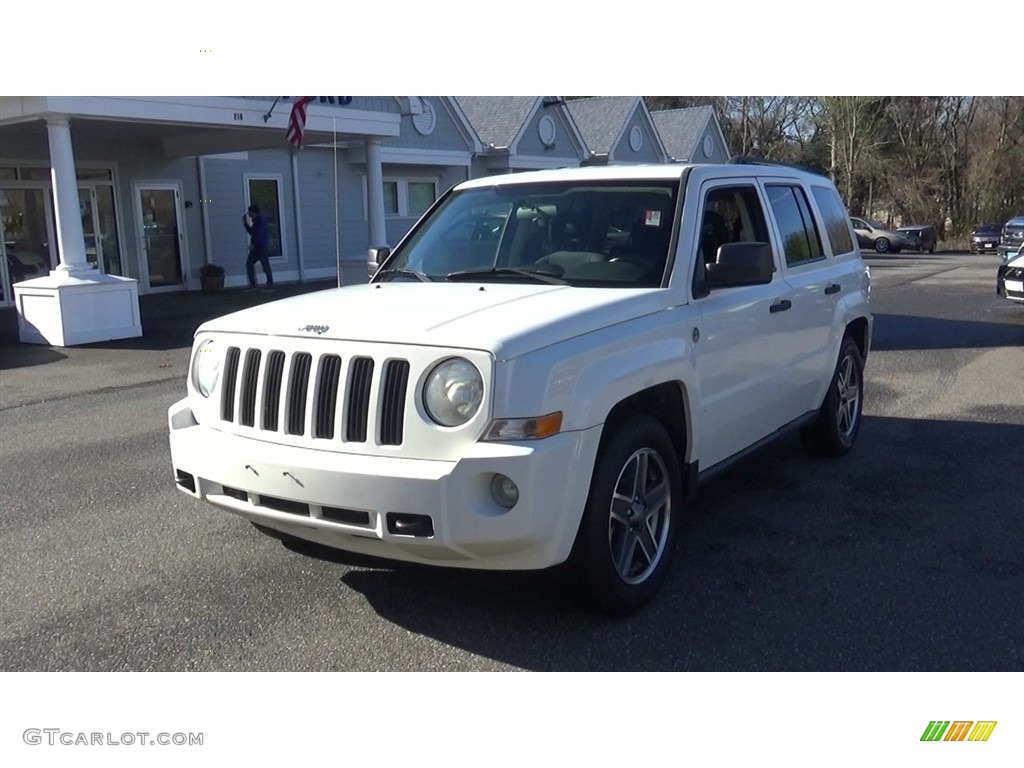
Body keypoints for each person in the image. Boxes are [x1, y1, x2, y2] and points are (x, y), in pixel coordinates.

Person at [243, 204, 274, 290]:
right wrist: (245, 224)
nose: (249, 215)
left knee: (264, 265)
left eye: (250, 213)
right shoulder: (256, 221)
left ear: (254, 212)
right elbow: (253, 233)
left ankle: (269, 285)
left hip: (261, 247)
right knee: (250, 264)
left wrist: (253, 244)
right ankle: (254, 284)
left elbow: (258, 235)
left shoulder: (260, 221)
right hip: (257, 247)